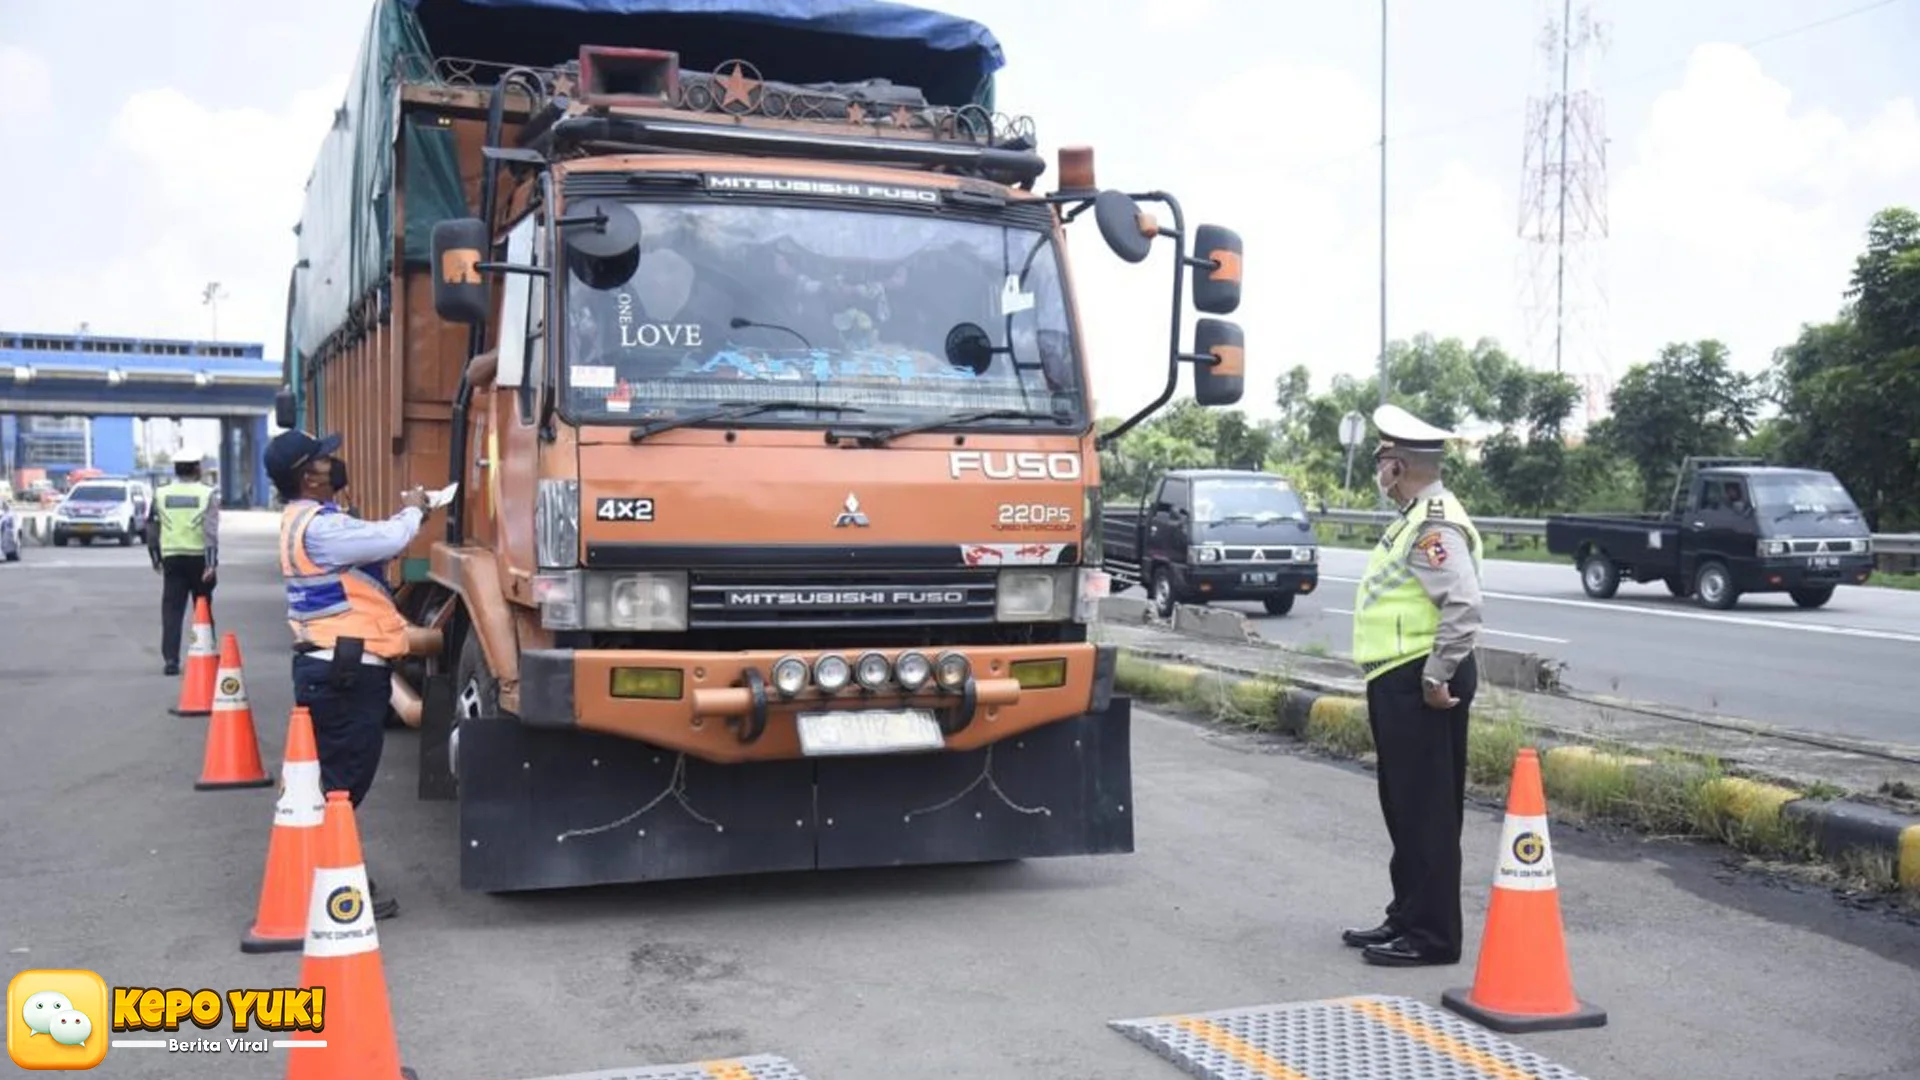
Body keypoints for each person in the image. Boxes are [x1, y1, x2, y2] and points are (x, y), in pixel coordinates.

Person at [264, 428, 436, 920]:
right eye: (322, 459)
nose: (332, 463)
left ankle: (325, 875)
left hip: (331, 668)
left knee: (334, 782)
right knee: (341, 786)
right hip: (343, 672)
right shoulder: (319, 528)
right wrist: (415, 510)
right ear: (308, 476)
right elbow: (391, 537)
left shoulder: (307, 522)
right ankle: (327, 884)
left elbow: (371, 544)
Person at [1342, 403, 1486, 967]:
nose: (1379, 470)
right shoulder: (1414, 519)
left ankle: (1432, 936)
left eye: (1382, 459)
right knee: (1404, 806)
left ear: (1397, 466)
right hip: (1400, 677)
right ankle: (1406, 916)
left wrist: (1435, 674)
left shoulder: (1433, 525)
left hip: (1422, 681)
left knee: (1426, 811)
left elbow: (1463, 604)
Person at [149, 459, 221, 676]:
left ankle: (171, 659)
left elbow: (152, 527)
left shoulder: (161, 493)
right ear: (197, 469)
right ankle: (207, 652)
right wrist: (211, 563)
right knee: (203, 607)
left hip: (172, 557)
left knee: (172, 610)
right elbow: (210, 531)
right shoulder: (206, 493)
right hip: (199, 559)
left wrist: (155, 557)